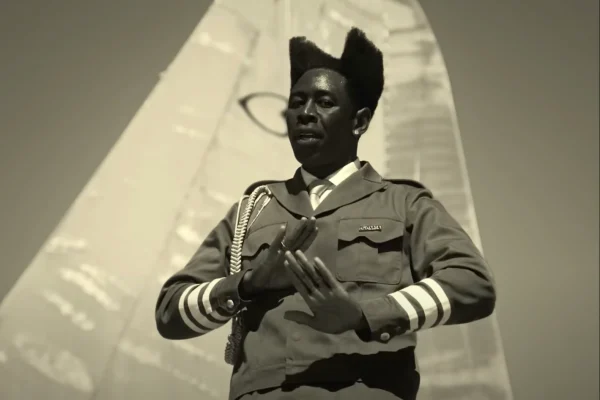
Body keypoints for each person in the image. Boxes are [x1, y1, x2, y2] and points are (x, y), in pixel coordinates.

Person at [155, 27, 496, 400]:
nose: (305, 113)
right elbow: (171, 311)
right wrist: (249, 283)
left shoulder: (404, 204)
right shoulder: (252, 210)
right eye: (297, 102)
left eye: (324, 102)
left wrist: (365, 316)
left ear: (359, 122)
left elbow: (471, 283)